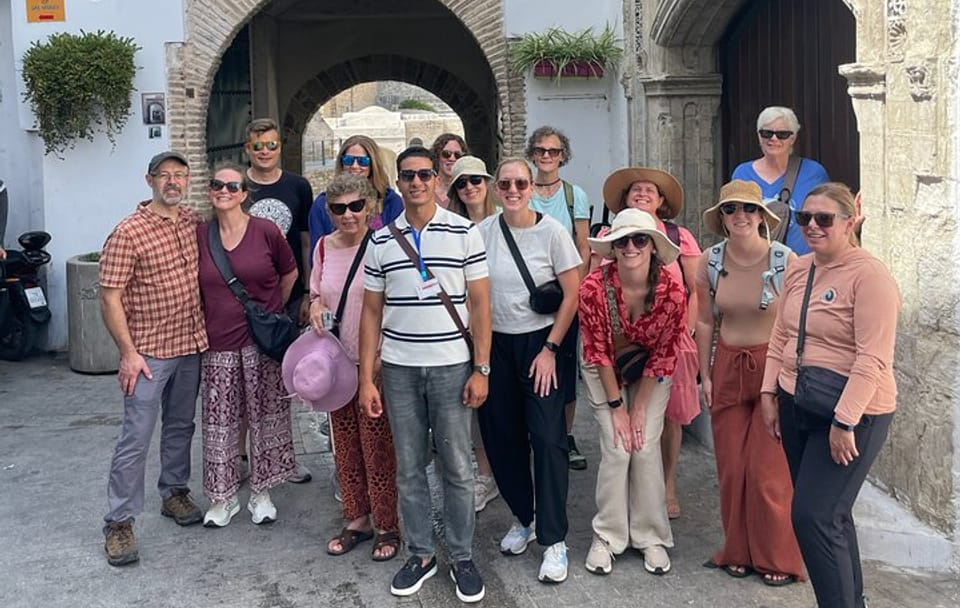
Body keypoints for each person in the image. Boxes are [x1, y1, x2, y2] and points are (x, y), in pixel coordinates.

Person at [359, 146, 492, 603]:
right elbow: (371, 313)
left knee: (457, 466)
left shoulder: (462, 232)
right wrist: (365, 378)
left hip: (452, 366)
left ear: (437, 179)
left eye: (423, 174)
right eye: (407, 176)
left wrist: (482, 368)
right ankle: (420, 553)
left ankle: (461, 555)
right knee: (409, 467)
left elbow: (480, 305)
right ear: (397, 183)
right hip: (398, 368)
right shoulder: (380, 240)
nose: (415, 182)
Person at [760, 183, 899, 608]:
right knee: (831, 517)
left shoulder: (869, 276)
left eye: (824, 219)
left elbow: (873, 358)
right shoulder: (801, 268)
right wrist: (769, 390)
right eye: (805, 219)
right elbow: (781, 331)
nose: (813, 227)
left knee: (813, 516)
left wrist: (845, 422)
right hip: (796, 400)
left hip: (851, 410)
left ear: (850, 221)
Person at [98, 151, 207, 566]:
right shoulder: (128, 232)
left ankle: (174, 493)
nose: (173, 182)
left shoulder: (192, 221)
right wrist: (127, 353)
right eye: (165, 176)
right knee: (136, 437)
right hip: (147, 353)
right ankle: (119, 522)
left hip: (190, 345)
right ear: (149, 181)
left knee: (181, 425)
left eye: (180, 175)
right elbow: (109, 297)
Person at [694, 180, 804, 585]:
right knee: (733, 468)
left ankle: (777, 557)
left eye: (748, 209)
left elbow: (794, 324)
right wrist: (705, 375)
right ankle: (737, 550)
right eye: (730, 209)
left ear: (762, 216)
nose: (740, 216)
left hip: (771, 368)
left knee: (768, 472)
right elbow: (705, 320)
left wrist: (783, 378)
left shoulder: (785, 259)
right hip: (726, 364)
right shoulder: (708, 260)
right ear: (721, 218)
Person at [477, 158, 581, 583]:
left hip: (540, 344)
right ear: (495, 189)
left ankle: (554, 539)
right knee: (501, 436)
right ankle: (525, 516)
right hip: (496, 344)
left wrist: (551, 349)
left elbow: (572, 294)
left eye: (521, 182)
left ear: (532, 187)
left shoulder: (553, 232)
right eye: (506, 183)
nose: (514, 189)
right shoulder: (481, 233)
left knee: (548, 437)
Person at [579, 208, 684, 576]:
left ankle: (651, 535)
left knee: (642, 442)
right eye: (621, 240)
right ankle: (607, 535)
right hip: (604, 366)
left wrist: (638, 409)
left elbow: (665, 352)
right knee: (616, 445)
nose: (630, 247)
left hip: (651, 372)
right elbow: (598, 352)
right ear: (612, 247)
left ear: (653, 246)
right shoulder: (593, 287)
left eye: (639, 239)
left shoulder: (672, 290)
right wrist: (616, 407)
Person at [195, 163, 298, 527]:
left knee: (264, 418)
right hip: (218, 342)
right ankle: (222, 498)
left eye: (232, 186)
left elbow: (290, 273)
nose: (223, 191)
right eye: (216, 185)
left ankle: (261, 493)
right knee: (220, 423)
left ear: (244, 193)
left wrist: (270, 313)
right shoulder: (201, 235)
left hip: (261, 343)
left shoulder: (265, 231)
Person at [309, 173, 400, 561]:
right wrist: (314, 305)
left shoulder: (384, 246)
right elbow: (316, 291)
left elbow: (396, 303)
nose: (348, 215)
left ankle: (387, 524)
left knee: (378, 446)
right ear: (329, 212)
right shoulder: (324, 248)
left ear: (371, 208)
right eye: (339, 208)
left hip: (373, 362)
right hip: (336, 363)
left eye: (356, 206)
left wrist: (379, 358)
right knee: (344, 446)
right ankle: (356, 519)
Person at [602, 167, 701, 519]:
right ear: (625, 199)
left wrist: (686, 331)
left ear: (661, 202)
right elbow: (601, 288)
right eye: (635, 190)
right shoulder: (610, 235)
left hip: (671, 341)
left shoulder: (679, 236)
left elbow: (696, 289)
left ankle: (667, 482)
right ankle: (631, 489)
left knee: (671, 416)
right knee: (624, 417)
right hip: (623, 344)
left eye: (650, 190)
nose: (643, 193)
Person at [243, 117, 313, 484]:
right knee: (240, 379)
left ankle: (283, 457)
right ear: (247, 149)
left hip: (285, 294)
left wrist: (306, 291)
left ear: (279, 148)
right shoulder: (236, 186)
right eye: (258, 146)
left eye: (271, 145)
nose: (265, 152)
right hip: (244, 296)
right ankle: (240, 457)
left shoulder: (298, 186)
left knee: (282, 379)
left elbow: (304, 239)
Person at [525, 125, 591, 471]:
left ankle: (565, 436)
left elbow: (583, 245)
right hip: (528, 295)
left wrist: (574, 291)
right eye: (540, 150)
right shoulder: (523, 191)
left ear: (562, 155)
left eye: (552, 151)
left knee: (564, 368)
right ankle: (537, 433)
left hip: (563, 292)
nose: (546, 156)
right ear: (532, 154)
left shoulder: (573, 195)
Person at [445, 155, 500, 512]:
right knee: (473, 403)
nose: (469, 188)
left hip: (506, 325)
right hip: (465, 328)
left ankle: (503, 467)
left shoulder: (503, 223)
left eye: (476, 181)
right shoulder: (449, 227)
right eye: (461, 183)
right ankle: (483, 473)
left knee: (502, 405)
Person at [732, 106, 829, 255]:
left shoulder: (814, 173)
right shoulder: (742, 174)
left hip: (804, 266)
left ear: (793, 138)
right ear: (759, 136)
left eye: (782, 134)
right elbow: (733, 221)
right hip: (758, 266)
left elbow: (828, 217)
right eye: (767, 133)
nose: (774, 139)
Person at [307, 134, 404, 253]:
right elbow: (317, 251)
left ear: (373, 164)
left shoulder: (390, 201)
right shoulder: (322, 203)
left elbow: (397, 247)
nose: (354, 166)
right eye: (348, 160)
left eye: (363, 161)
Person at [430, 133, 468, 208]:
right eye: (446, 154)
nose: (452, 158)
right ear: (437, 156)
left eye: (458, 155)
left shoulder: (469, 190)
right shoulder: (427, 188)